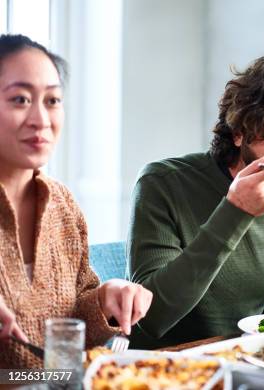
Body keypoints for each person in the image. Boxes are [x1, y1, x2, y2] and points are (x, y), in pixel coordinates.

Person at [127, 56, 264, 349]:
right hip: (164, 365)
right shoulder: (162, 183)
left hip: (242, 359)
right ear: (237, 132)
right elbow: (152, 318)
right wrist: (235, 211)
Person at [0, 34, 153, 368]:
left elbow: (74, 328)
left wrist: (104, 300)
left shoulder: (63, 204)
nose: (41, 119)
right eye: (21, 99)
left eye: (53, 100)